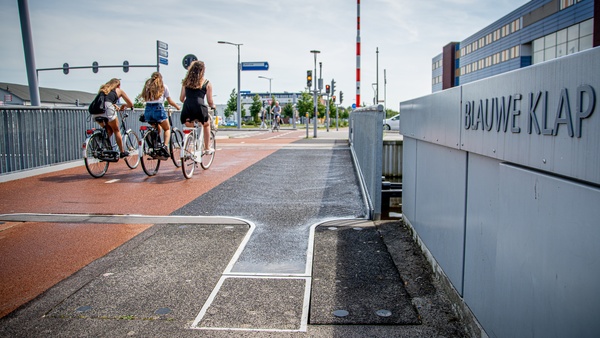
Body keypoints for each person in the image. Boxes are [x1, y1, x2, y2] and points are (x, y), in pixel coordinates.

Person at [179, 60, 216, 154]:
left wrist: (188, 101)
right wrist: (213, 106)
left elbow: (181, 98)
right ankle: (207, 148)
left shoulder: (186, 82)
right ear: (202, 70)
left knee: (189, 127)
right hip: (199, 107)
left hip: (187, 107)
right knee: (206, 124)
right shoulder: (206, 83)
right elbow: (210, 101)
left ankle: (190, 146)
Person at [142, 72, 180, 158]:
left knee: (156, 127)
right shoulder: (163, 86)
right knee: (167, 128)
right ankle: (165, 146)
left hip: (148, 110)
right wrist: (177, 107)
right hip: (158, 109)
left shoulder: (147, 87)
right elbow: (169, 101)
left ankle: (155, 146)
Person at [94, 78, 134, 158]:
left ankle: (101, 147)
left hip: (95, 110)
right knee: (116, 130)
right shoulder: (119, 90)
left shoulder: (104, 89)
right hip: (107, 109)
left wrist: (113, 105)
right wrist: (124, 106)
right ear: (118, 85)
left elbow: (105, 100)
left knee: (109, 130)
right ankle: (122, 152)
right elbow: (130, 104)